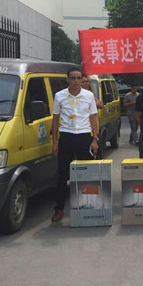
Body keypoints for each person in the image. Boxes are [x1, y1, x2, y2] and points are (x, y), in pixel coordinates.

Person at [51, 67, 99, 222]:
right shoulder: (59, 96)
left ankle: (89, 205)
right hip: (66, 136)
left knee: (87, 172)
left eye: (79, 78)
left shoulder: (88, 95)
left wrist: (95, 139)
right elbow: (55, 119)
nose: (76, 81)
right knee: (63, 174)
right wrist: (55, 142)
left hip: (84, 136)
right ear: (67, 79)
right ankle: (59, 208)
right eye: (73, 78)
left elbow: (93, 118)